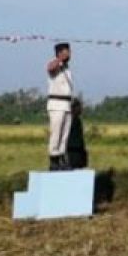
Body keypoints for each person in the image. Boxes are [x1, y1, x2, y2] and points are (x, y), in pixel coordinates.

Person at [45, 42, 75, 170]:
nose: (69, 54)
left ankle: (62, 157)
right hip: (56, 104)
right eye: (66, 51)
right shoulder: (56, 64)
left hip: (67, 104)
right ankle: (54, 159)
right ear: (60, 53)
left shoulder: (67, 69)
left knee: (65, 134)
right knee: (56, 133)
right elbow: (50, 68)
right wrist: (59, 60)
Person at [65, 98, 89, 170]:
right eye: (80, 107)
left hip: (75, 148)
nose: (81, 109)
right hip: (74, 149)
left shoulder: (74, 119)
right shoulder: (73, 120)